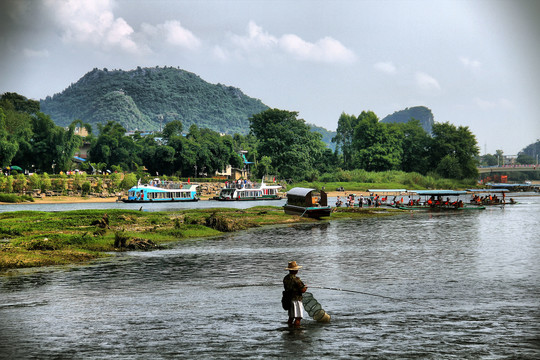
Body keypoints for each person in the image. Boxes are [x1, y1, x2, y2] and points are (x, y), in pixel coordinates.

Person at [283, 261, 307, 327]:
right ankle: (297, 332)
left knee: (291, 317)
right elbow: (302, 290)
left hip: (288, 299)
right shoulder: (297, 280)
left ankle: (289, 329)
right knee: (298, 318)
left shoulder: (285, 278)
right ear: (295, 270)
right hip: (296, 300)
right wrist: (305, 287)